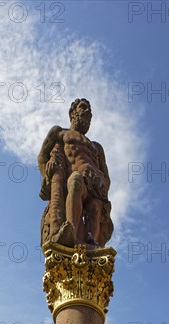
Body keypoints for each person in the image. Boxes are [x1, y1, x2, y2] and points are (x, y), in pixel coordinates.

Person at [38, 98, 113, 248]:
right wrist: (48, 176)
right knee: (75, 181)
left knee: (95, 206)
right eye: (83, 108)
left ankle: (92, 240)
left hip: (95, 188)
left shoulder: (96, 147)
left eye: (90, 112)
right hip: (74, 178)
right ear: (72, 113)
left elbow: (106, 175)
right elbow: (42, 157)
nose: (87, 113)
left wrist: (102, 185)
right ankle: (70, 230)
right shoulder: (60, 133)